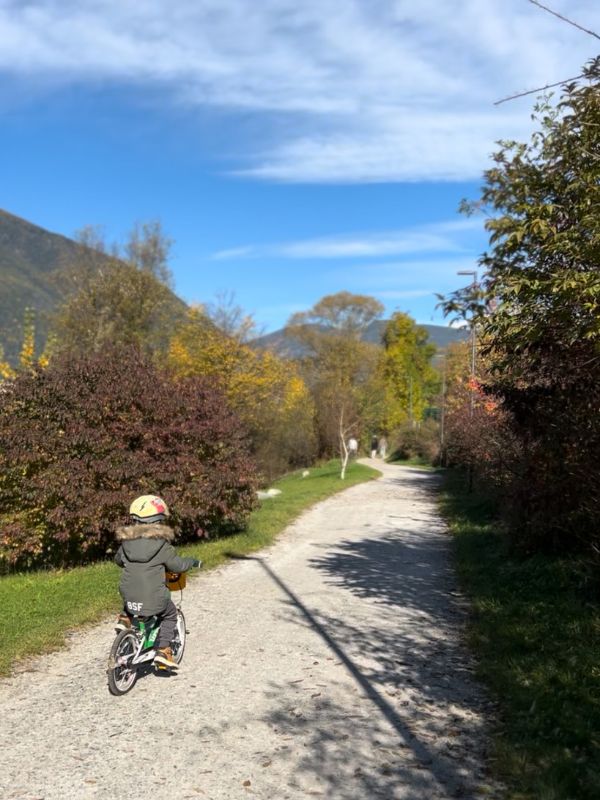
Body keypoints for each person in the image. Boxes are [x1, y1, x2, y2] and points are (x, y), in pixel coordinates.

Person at [114, 494, 200, 668]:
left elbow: (118, 560)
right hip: (153, 597)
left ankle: (125, 618)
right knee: (170, 613)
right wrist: (192, 561)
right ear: (157, 521)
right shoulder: (162, 545)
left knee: (133, 593)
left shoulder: (126, 543)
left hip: (127, 594)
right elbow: (177, 565)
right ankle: (163, 650)